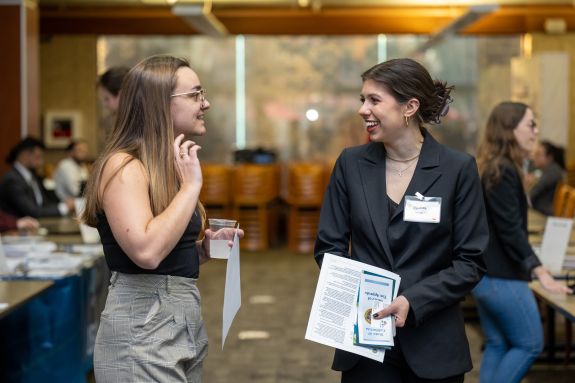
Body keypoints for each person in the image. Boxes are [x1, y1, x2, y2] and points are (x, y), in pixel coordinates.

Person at [314, 58, 489, 382]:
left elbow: (471, 261)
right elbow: (329, 247)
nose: (363, 109)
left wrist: (413, 299)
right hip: (365, 340)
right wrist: (364, 294)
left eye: (374, 100)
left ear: (409, 107)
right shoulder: (350, 164)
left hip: (434, 341)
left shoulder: (457, 169)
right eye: (362, 99)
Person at [81, 55, 242, 382]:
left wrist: (201, 251)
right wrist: (191, 186)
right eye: (195, 94)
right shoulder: (123, 166)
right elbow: (146, 252)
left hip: (179, 317)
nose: (205, 103)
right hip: (143, 325)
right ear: (159, 104)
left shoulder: (163, 167)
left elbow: (163, 251)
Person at [473, 102, 572, 383]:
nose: (536, 131)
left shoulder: (494, 166)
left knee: (498, 343)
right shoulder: (503, 170)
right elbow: (511, 232)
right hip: (501, 277)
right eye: (531, 125)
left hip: (485, 276)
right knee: (530, 344)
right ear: (510, 129)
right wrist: (541, 273)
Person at [0, 137, 74, 218]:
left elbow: (44, 203)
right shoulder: (12, 180)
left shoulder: (33, 176)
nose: (41, 162)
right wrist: (64, 207)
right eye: (38, 157)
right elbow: (31, 211)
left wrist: (63, 204)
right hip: (18, 228)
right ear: (26, 155)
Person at [528, 140, 566, 216]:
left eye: (538, 154)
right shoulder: (545, 169)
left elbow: (533, 192)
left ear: (549, 157)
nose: (535, 157)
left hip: (544, 214)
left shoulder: (554, 171)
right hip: (538, 211)